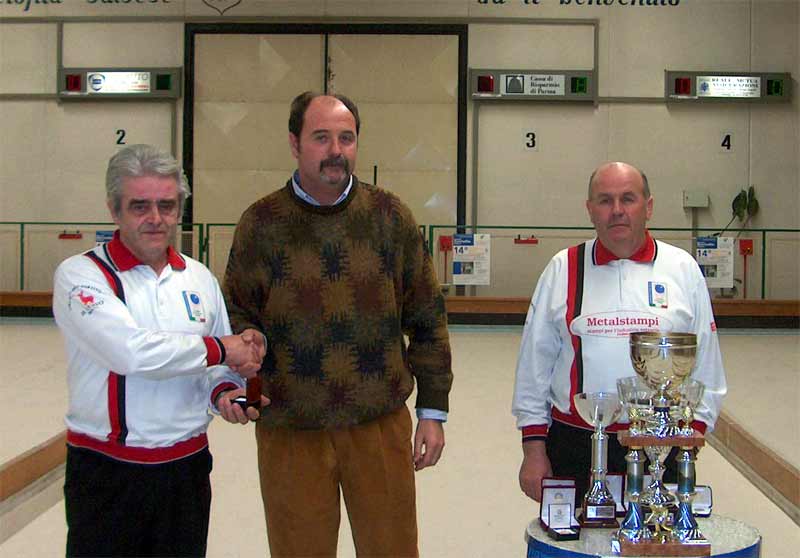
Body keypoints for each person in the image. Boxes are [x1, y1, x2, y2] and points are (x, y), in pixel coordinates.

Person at [224, 91, 453, 558]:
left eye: (346, 138)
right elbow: (238, 316)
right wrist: (246, 387)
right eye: (321, 137)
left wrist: (432, 411)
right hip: (290, 428)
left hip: (378, 423)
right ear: (295, 143)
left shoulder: (390, 217)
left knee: (393, 551)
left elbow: (427, 317)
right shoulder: (261, 223)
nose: (335, 150)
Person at [52, 144, 269, 557]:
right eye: (140, 206)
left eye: (167, 206)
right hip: (106, 473)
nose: (155, 218)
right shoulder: (81, 276)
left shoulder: (199, 278)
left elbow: (218, 365)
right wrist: (223, 350)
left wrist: (224, 392)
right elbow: (130, 353)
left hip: (186, 471)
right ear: (114, 210)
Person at [512, 161, 727, 503]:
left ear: (648, 207)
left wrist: (688, 442)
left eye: (628, 198)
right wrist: (534, 449)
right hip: (575, 444)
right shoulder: (563, 268)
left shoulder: (682, 269)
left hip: (660, 445)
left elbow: (707, 366)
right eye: (605, 200)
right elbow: (534, 366)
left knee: (658, 536)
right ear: (589, 209)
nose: (616, 210)